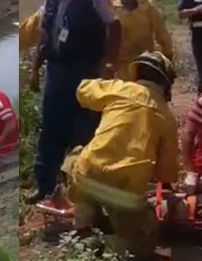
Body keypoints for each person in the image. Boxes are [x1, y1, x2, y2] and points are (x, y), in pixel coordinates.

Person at [60, 51, 179, 260]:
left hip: (88, 176)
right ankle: (123, 240)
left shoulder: (119, 88)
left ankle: (84, 225)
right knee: (142, 243)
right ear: (166, 83)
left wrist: (106, 78)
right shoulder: (167, 118)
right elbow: (166, 173)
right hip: (125, 193)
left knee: (75, 158)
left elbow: (83, 90)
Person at [26, 0, 122, 204]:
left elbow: (114, 26)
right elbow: (45, 34)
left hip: (86, 71)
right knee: (50, 128)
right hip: (57, 70)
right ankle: (44, 185)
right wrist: (36, 68)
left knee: (84, 129)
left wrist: (109, 65)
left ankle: (81, 189)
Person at [111, 0, 173, 80]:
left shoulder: (146, 4)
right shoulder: (113, 9)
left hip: (146, 60)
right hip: (123, 64)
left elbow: (161, 31)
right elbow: (110, 39)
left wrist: (168, 55)